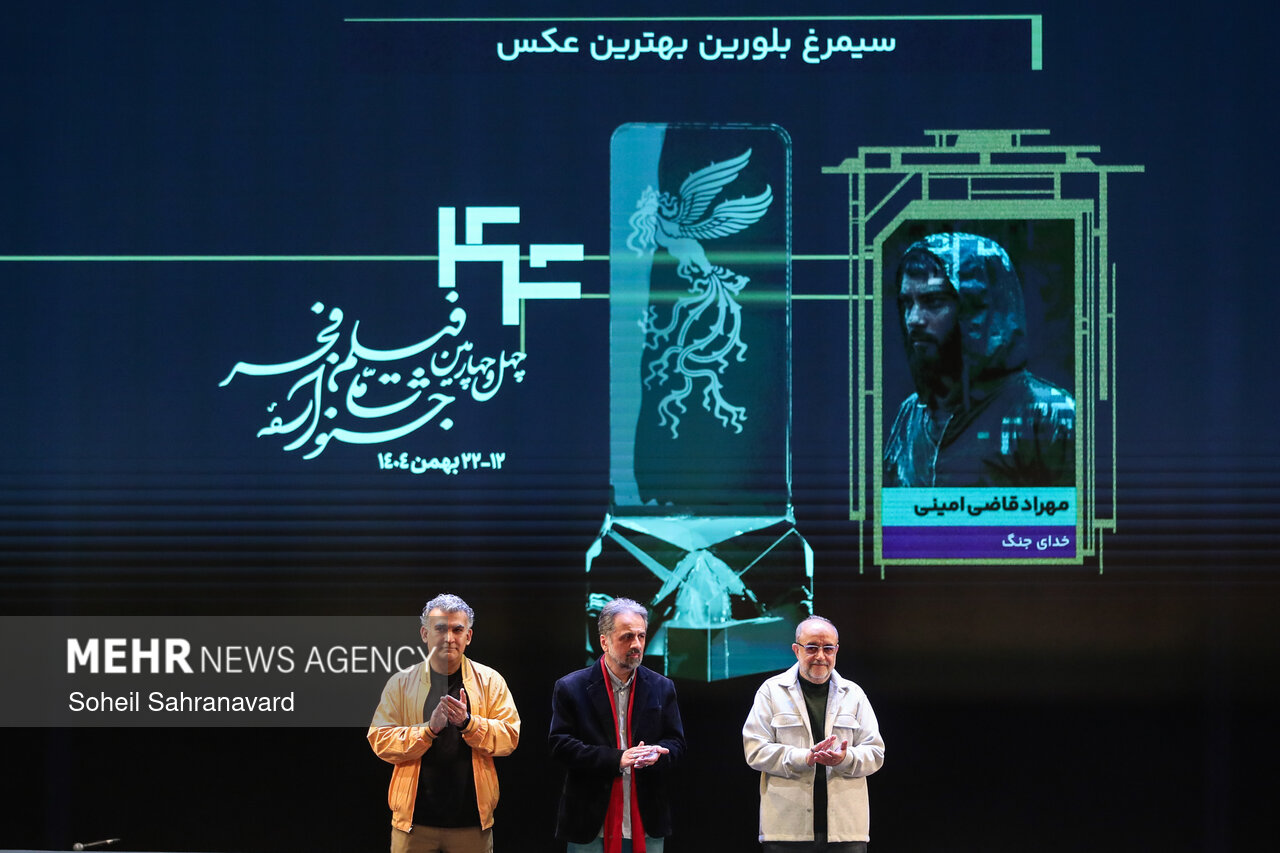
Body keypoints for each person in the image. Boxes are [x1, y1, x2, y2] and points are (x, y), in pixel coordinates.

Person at [884, 232, 1075, 487]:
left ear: (977, 308)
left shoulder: (1049, 416)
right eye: (907, 303)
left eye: (933, 301)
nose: (914, 319)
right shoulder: (910, 416)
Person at [368, 594, 521, 853]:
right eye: (440, 629)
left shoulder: (491, 681)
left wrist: (468, 723)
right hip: (413, 825)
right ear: (425, 634)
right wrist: (428, 731)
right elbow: (380, 740)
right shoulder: (401, 683)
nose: (449, 638)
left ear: (468, 636)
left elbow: (510, 737)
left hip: (472, 824)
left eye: (457, 630)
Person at [549, 598, 686, 853]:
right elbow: (561, 745)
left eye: (641, 636)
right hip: (590, 821)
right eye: (627, 637)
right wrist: (617, 759)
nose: (636, 645)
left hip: (646, 819)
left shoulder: (661, 687)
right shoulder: (571, 687)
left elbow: (676, 743)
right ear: (604, 642)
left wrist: (658, 755)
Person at [743, 616, 884, 853]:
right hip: (786, 830)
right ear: (796, 650)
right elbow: (755, 750)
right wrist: (804, 757)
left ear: (836, 650)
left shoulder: (854, 694)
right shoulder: (771, 691)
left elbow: (876, 752)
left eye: (828, 648)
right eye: (812, 648)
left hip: (846, 833)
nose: (820, 656)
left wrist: (846, 758)